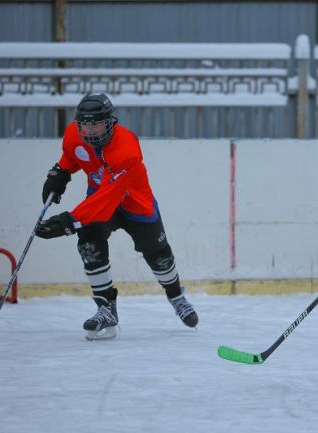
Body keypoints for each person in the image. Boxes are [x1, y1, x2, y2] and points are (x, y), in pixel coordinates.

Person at [35, 93, 198, 340]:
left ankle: (176, 296)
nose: (89, 130)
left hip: (135, 204)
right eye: (84, 124)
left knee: (158, 255)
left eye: (96, 123)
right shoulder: (73, 135)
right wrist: (60, 172)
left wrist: (69, 221)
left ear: (110, 121)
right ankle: (105, 309)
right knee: (89, 243)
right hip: (99, 202)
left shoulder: (126, 149)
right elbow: (73, 156)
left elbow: (107, 198)